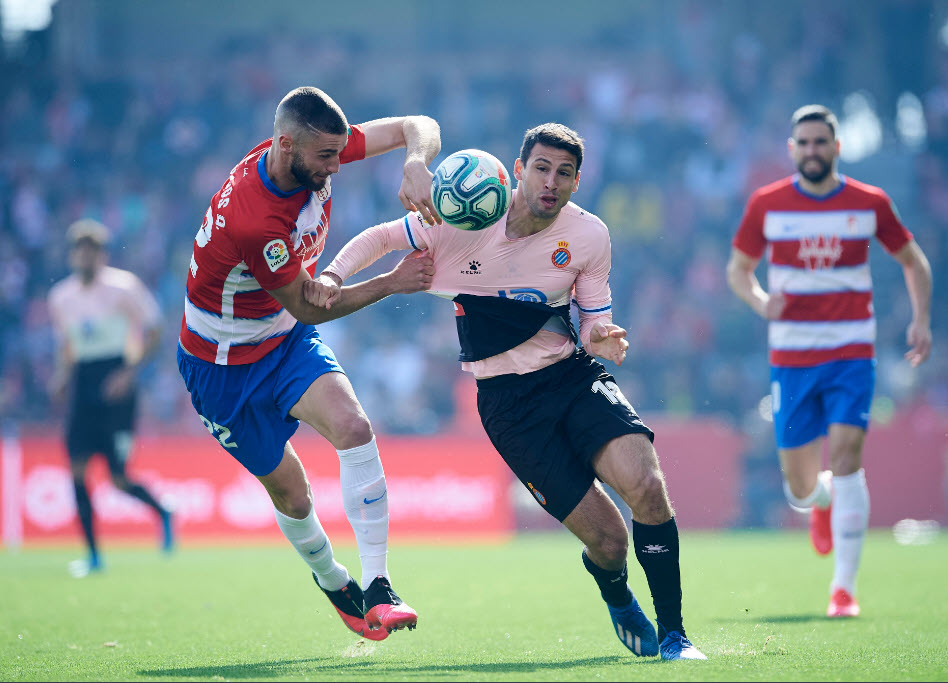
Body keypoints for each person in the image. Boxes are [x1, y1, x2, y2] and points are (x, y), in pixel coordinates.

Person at [311, 124, 707, 660]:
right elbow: (382, 238)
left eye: (564, 173)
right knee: (610, 543)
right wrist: (332, 276)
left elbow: (592, 320)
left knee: (646, 483)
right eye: (541, 168)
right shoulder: (461, 214)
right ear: (518, 171)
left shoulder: (588, 237)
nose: (551, 182)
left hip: (571, 377)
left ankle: (675, 636)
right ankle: (615, 592)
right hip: (508, 405)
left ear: (576, 182)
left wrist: (603, 337)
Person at [176, 86, 440, 640]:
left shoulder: (306, 153)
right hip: (220, 366)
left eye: (338, 154)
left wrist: (415, 162)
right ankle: (333, 579)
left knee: (354, 426)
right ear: (286, 145)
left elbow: (417, 122)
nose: (336, 167)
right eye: (326, 158)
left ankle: (379, 585)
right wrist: (392, 282)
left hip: (281, 340)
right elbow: (309, 306)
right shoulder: (255, 221)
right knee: (292, 494)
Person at [726, 105, 933, 617]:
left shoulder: (869, 202)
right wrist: (760, 301)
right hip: (792, 358)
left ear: (836, 147)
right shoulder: (768, 204)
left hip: (851, 354)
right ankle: (818, 502)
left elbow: (914, 260)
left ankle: (844, 589)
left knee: (845, 458)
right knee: (799, 487)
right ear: (793, 148)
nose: (812, 151)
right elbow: (738, 270)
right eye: (804, 143)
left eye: (821, 142)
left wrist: (921, 320)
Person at [48, 219, 174, 578]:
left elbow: (154, 329)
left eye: (92, 250)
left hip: (117, 385)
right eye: (80, 250)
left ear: (101, 255)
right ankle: (93, 556)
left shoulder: (123, 287)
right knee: (76, 469)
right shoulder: (61, 297)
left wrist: (129, 373)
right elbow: (66, 344)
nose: (85, 257)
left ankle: (163, 512)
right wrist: (61, 374)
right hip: (82, 384)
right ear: (73, 255)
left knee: (118, 478)